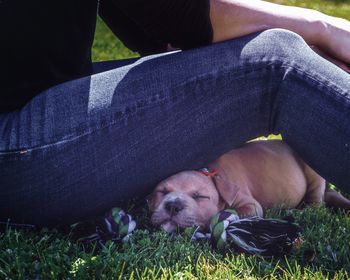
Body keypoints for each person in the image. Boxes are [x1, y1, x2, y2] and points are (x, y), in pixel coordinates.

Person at [0, 0, 349, 227]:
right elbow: (183, 17)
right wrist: (322, 27)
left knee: (258, 54)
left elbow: (152, 26)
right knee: (275, 62)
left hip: (43, 102)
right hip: (13, 142)